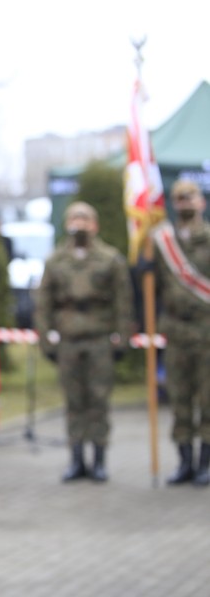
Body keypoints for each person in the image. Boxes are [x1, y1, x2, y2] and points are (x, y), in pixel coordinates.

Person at [35, 201, 134, 483]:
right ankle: (77, 460)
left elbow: (123, 302)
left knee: (98, 401)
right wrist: (46, 340)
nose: (80, 223)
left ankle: (99, 460)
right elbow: (43, 304)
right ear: (67, 223)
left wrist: (123, 339)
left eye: (85, 218)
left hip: (99, 339)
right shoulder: (56, 261)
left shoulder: (110, 258)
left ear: (95, 224)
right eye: (75, 218)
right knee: (74, 401)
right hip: (69, 341)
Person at [151, 179, 210, 487]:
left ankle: (206, 463)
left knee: (208, 400)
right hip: (176, 332)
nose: (185, 203)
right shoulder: (164, 243)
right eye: (179, 199)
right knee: (179, 399)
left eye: (190, 198)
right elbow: (157, 286)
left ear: (201, 202)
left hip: (207, 333)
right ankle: (185, 461)